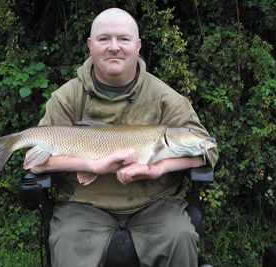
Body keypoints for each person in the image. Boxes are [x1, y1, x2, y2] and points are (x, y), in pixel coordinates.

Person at [31, 8, 218, 267]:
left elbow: (209, 151)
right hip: (84, 204)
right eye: (104, 39)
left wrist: (158, 168)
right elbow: (36, 162)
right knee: (68, 241)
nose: (114, 47)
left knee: (180, 236)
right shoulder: (66, 98)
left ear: (138, 45)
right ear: (90, 45)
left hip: (156, 203)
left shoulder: (166, 97)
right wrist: (92, 166)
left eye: (124, 39)